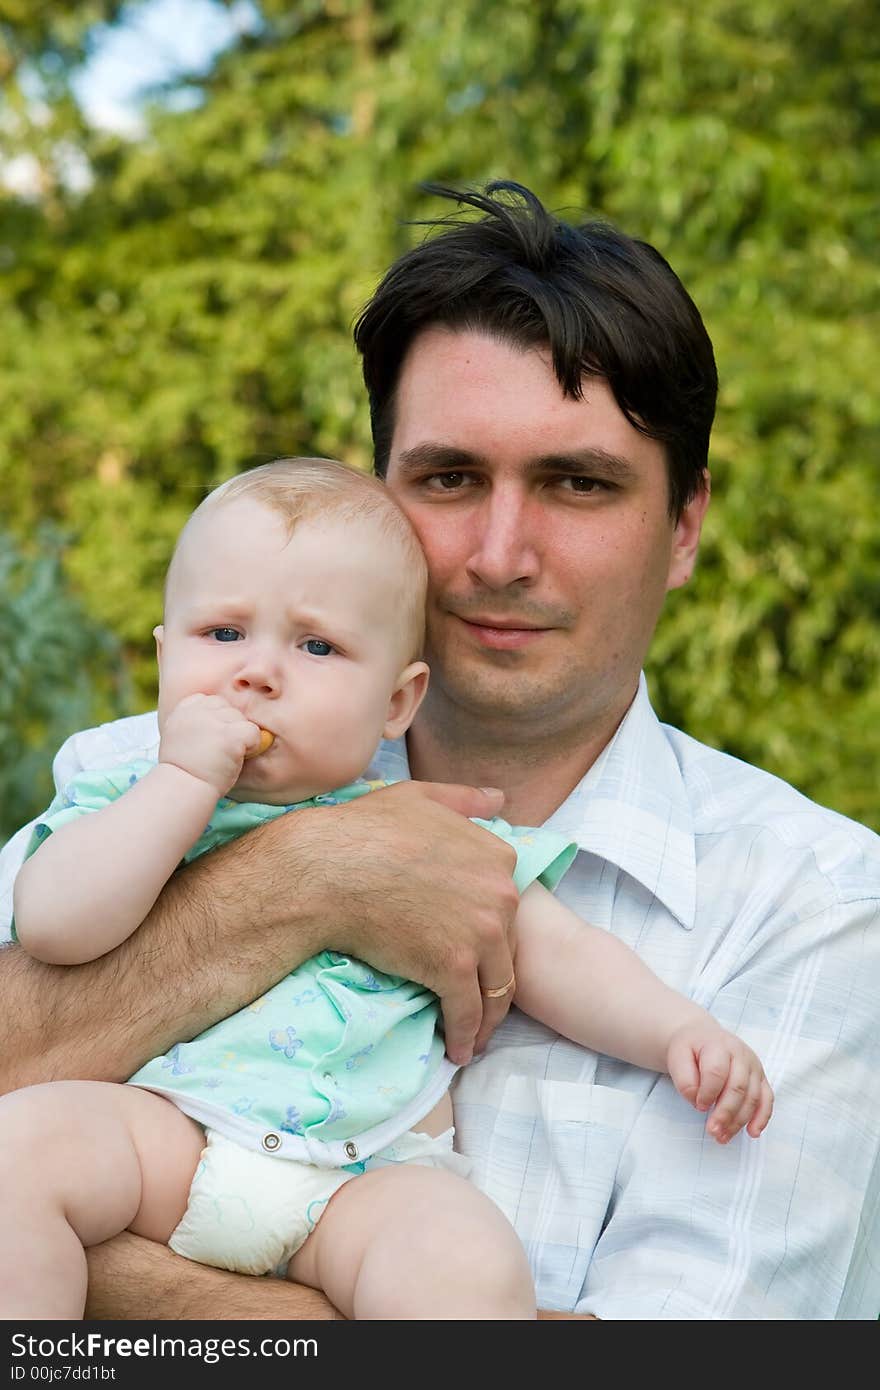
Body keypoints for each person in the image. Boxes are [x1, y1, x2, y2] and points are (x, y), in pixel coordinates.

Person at [1, 181, 877, 1319]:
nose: (499, 554)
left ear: (684, 527)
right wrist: (308, 884)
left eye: (578, 483)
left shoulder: (815, 908)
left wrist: (137, 1292)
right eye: (449, 478)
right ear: (381, 497)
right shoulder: (150, 766)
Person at [0, 456, 772, 1321]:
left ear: (398, 701)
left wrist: (678, 1031)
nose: (256, 673)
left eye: (317, 645)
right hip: (166, 1137)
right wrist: (179, 787)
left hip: (363, 1179)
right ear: (162, 650)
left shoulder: (438, 840)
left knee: (465, 1262)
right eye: (221, 635)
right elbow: (54, 925)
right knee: (15, 1157)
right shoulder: (122, 794)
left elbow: (563, 953)